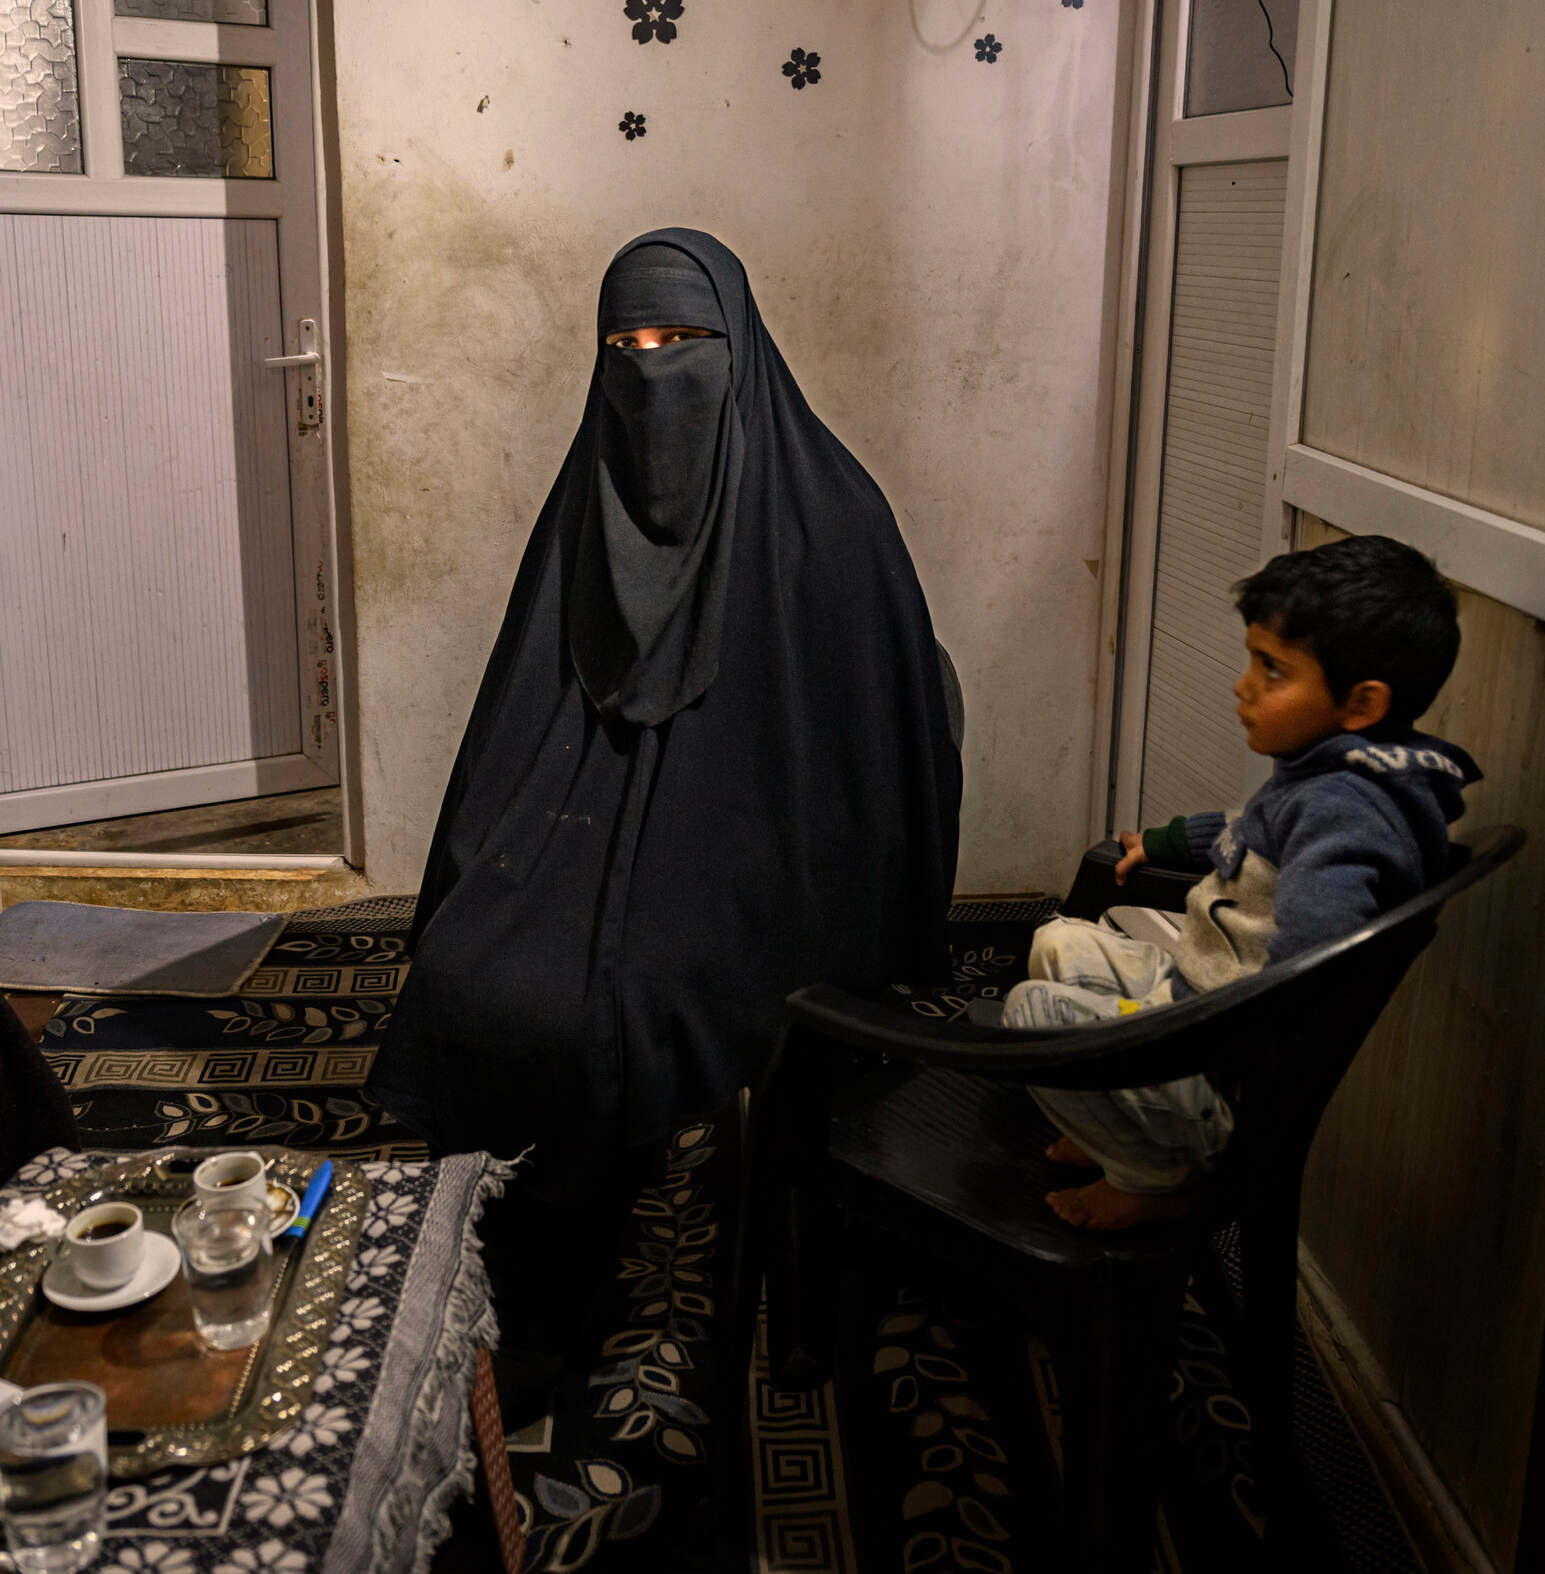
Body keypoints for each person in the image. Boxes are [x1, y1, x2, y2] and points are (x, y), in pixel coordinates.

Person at [369, 230, 962, 1216]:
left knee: (642, 997)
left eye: (680, 342)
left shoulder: (834, 523)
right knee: (464, 966)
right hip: (579, 827)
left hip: (760, 858)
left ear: (737, 350)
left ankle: (587, 1233)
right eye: (625, 348)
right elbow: (513, 725)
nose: (652, 375)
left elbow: (871, 770)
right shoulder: (583, 513)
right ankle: (509, 1225)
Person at [1002, 535, 1477, 1229]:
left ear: (1362, 703)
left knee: (1031, 1015)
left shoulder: (1347, 814)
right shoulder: (1333, 774)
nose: (1243, 684)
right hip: (1194, 992)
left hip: (1216, 1058)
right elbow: (1248, 828)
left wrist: (1223, 1052)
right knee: (1058, 944)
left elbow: (1312, 960)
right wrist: (1162, 842)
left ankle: (1154, 1175)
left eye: (1272, 670)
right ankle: (1115, 1125)